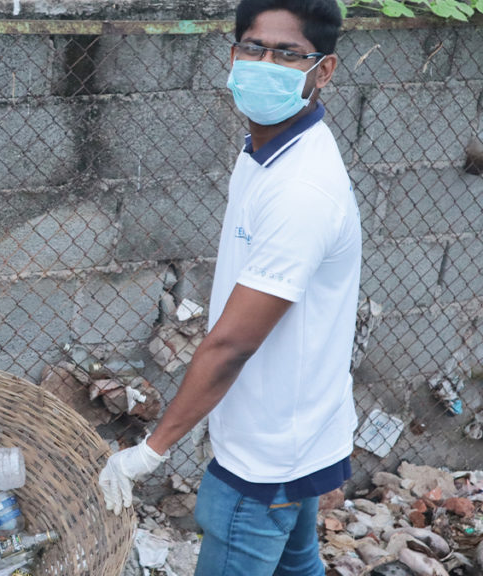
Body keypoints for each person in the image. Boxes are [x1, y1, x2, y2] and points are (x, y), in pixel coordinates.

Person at [99, 0, 360, 574]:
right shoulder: (267, 149)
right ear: (233, 54)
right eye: (253, 47)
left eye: (288, 54)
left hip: (265, 459)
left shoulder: (301, 191)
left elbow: (230, 346)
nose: (265, 63)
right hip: (296, 430)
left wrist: (149, 452)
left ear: (325, 70)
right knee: (298, 565)